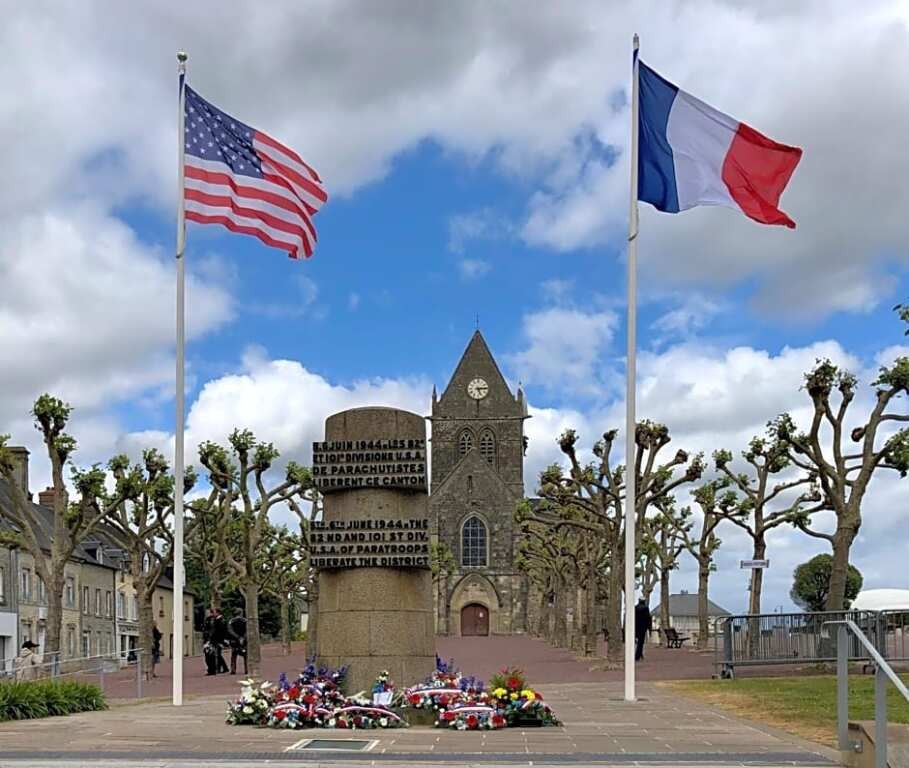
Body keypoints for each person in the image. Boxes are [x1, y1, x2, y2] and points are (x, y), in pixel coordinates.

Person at [203, 607, 229, 675]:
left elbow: (220, 631)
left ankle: (215, 669)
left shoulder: (221, 620)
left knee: (215, 655)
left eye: (213, 612)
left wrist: (222, 641)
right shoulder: (212, 619)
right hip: (213, 640)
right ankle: (221, 668)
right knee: (216, 655)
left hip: (217, 640)